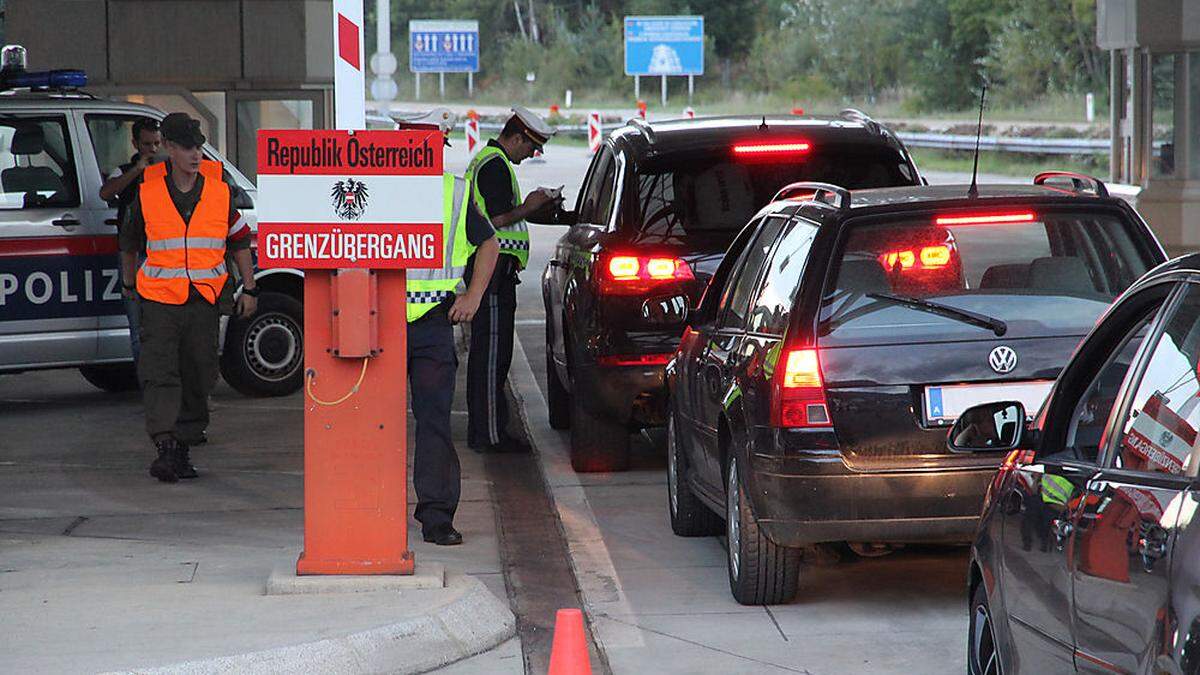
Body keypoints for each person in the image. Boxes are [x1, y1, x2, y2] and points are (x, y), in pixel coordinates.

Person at [118, 112, 257, 483]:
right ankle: (165, 445)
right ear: (168, 149)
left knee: (199, 373)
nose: (196, 155)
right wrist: (130, 284)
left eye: (199, 147)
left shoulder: (219, 191)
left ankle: (184, 445)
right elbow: (129, 242)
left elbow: (240, 241)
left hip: (204, 299)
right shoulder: (147, 192)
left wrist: (250, 286)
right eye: (186, 148)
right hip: (160, 299)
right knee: (160, 372)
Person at [401, 108, 500, 545]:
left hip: (432, 324)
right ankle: (369, 508)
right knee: (373, 422)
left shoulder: (455, 193)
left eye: (435, 148)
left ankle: (436, 514)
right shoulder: (380, 191)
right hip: (379, 324)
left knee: (434, 421)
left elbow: (490, 243)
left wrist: (473, 296)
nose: (431, 156)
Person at [464, 106, 556, 453]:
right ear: (515, 137)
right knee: (491, 356)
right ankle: (488, 435)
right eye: (530, 147)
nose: (532, 154)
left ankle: (490, 429)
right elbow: (498, 219)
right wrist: (530, 206)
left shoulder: (491, 161)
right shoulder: (494, 164)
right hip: (491, 273)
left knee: (494, 354)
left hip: (497, 274)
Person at [99, 117, 162, 364]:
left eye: (157, 144)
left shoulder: (168, 172)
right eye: (147, 144)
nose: (153, 150)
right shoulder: (124, 171)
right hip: (134, 255)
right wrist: (138, 170)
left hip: (162, 254)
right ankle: (146, 383)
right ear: (135, 143)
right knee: (138, 327)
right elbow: (105, 192)